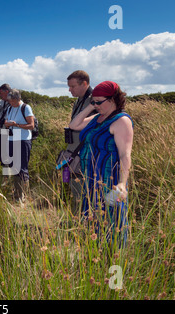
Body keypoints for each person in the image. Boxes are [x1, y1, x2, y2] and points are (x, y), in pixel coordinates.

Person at [69, 81, 133, 247]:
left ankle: (114, 265)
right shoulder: (97, 118)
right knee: (92, 220)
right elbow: (73, 125)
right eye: (93, 101)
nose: (96, 105)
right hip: (91, 179)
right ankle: (95, 259)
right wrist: (91, 107)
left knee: (112, 223)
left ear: (113, 99)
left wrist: (122, 183)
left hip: (108, 181)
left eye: (99, 102)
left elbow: (125, 155)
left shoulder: (121, 121)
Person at [66, 70, 96, 213]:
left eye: (72, 86)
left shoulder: (95, 101)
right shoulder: (79, 100)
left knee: (83, 187)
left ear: (84, 83)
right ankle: (77, 218)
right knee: (74, 185)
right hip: (75, 149)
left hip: (86, 151)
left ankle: (81, 222)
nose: (69, 90)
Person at [3, 89, 35, 203]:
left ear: (18, 99)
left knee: (22, 168)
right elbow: (7, 121)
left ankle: (22, 197)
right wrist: (7, 124)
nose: (10, 103)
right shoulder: (10, 108)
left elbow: (31, 125)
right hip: (12, 138)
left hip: (23, 140)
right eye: (9, 101)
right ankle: (17, 195)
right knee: (14, 167)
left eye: (12, 101)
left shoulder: (26, 107)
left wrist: (16, 125)